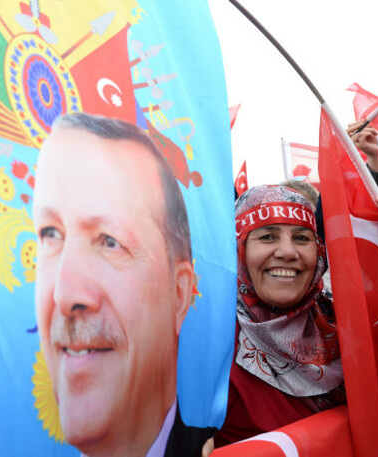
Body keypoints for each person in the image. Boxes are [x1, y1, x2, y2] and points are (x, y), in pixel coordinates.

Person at [32, 113, 215, 457]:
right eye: (51, 234)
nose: (65, 293)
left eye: (109, 241)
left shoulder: (229, 443)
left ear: (179, 295)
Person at [215, 185, 345, 446]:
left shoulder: (348, 324)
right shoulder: (208, 347)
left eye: (301, 238)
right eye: (267, 237)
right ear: (238, 249)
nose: (287, 252)